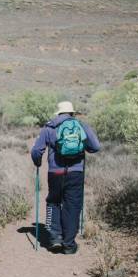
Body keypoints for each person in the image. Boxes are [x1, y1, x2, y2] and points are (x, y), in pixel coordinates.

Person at [30, 101, 100, 254]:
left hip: (55, 173)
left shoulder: (49, 127)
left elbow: (36, 150)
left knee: (53, 201)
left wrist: (37, 163)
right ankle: (69, 244)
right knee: (72, 205)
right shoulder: (81, 125)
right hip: (76, 172)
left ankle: (55, 238)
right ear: (72, 113)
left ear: (59, 113)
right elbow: (95, 146)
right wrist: (83, 147)